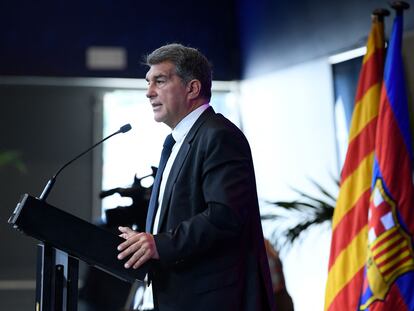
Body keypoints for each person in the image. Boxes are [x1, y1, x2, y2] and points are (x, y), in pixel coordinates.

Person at [117, 43, 275, 311]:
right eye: (148, 82)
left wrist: (159, 244)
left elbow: (224, 217)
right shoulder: (177, 141)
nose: (149, 92)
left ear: (192, 88)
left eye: (160, 81)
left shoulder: (219, 135)